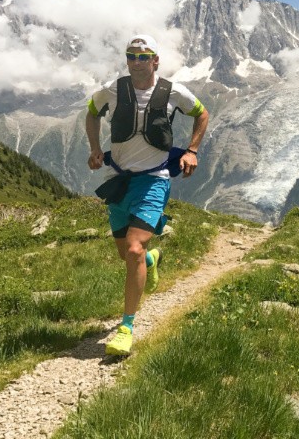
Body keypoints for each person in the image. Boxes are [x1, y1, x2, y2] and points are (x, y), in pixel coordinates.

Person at [85, 34, 209, 356]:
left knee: (135, 249)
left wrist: (192, 150)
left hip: (154, 179)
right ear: (126, 60)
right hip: (119, 179)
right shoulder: (113, 90)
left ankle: (126, 327)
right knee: (125, 255)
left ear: (156, 60)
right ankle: (153, 260)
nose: (137, 61)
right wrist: (96, 149)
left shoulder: (173, 92)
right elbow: (91, 112)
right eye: (132, 56)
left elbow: (202, 113)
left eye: (144, 56)